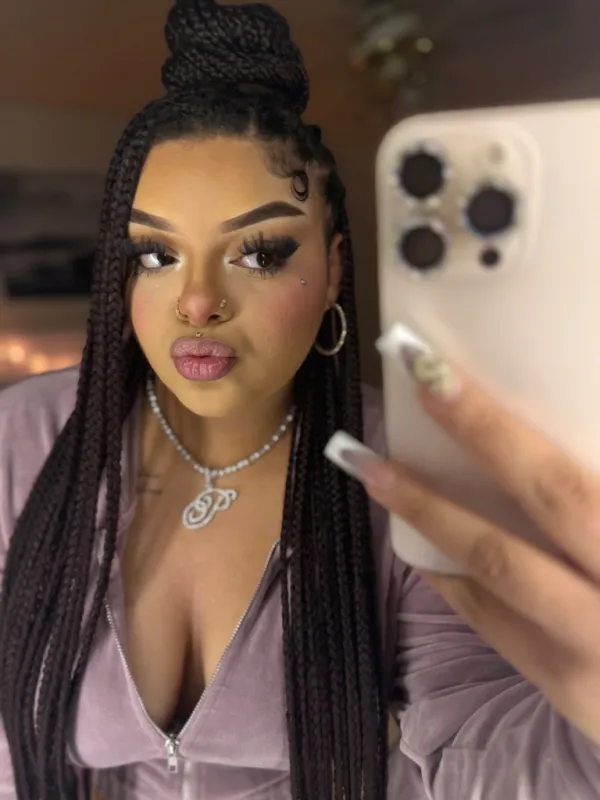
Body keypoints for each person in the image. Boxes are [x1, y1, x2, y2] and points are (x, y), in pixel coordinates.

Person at [0, 1, 599, 798]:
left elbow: (476, 754)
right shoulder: (25, 441)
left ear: (335, 267)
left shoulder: (400, 476)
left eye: (259, 253)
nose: (198, 302)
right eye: (156, 254)